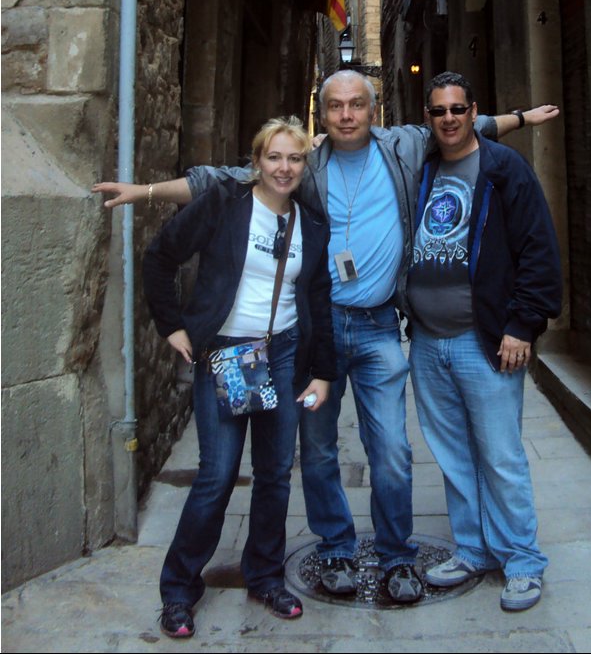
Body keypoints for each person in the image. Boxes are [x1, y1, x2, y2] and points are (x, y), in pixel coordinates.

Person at [97, 72, 559, 604]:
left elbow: (461, 125)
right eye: (335, 105)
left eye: (356, 104)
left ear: (373, 108)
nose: (346, 115)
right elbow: (223, 180)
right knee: (313, 453)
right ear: (322, 112)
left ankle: (396, 554)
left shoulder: (404, 147)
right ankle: (336, 547)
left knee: (390, 449)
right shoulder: (305, 160)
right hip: (313, 330)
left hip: (380, 325)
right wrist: (147, 191)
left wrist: (521, 118)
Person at [142, 116, 335, 638]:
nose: (284, 167)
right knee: (217, 474)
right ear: (257, 161)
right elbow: (159, 256)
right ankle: (179, 589)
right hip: (229, 354)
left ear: (304, 166)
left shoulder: (311, 224)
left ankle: (266, 575)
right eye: (274, 157)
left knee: (274, 473)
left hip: (285, 353)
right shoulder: (225, 205)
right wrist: (172, 327)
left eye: (294, 159)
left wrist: (323, 373)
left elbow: (318, 299)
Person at [406, 72, 562, 613]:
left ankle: (521, 561)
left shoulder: (503, 169)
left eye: (457, 108)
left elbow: (539, 251)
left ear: (474, 112)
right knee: (453, 455)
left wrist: (523, 325)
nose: (448, 118)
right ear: (428, 118)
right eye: (437, 111)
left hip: (487, 340)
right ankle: (473, 549)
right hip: (427, 342)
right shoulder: (422, 168)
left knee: (500, 456)